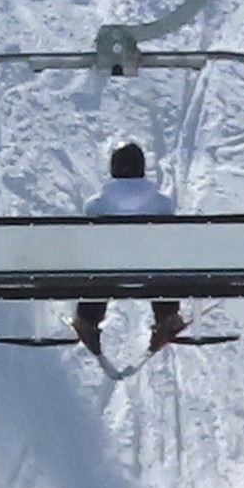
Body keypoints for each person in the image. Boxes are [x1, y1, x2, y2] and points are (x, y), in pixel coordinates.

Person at [79, 139, 173, 361]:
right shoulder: (162, 204)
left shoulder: (95, 206)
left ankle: (88, 319)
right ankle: (167, 317)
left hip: (107, 276)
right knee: (162, 261)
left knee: (99, 264)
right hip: (153, 277)